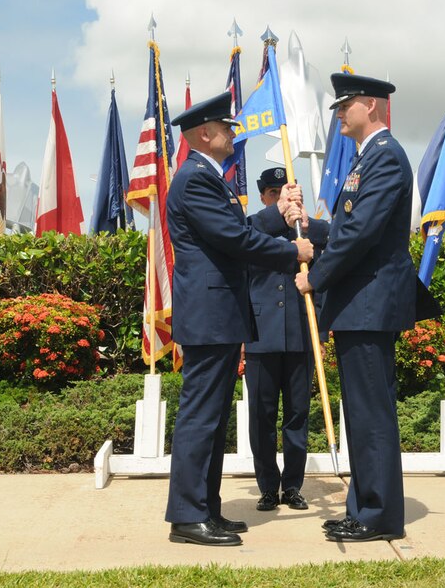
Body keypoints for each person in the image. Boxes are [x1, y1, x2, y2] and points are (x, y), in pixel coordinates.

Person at [164, 92, 313, 547]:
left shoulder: (212, 179)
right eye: (226, 128)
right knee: (200, 418)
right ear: (205, 135)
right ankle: (188, 515)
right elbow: (233, 238)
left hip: (220, 314)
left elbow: (241, 230)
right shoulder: (195, 180)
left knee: (211, 419)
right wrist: (292, 251)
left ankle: (206, 509)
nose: (233, 133)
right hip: (210, 315)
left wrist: (279, 213)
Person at [295, 74, 416, 542]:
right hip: (358, 304)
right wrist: (310, 227)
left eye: (346, 105)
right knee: (361, 413)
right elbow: (350, 227)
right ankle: (363, 506)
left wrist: (316, 277)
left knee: (371, 413)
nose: (340, 113)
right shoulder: (367, 159)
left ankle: (380, 514)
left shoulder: (385, 157)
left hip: (368, 302)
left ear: (370, 105)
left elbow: (362, 233)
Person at [244, 168, 329, 513]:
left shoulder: (310, 234)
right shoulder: (251, 227)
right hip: (261, 335)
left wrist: (320, 334)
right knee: (261, 417)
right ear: (265, 196)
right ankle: (267, 486)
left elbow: (323, 284)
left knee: (297, 414)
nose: (284, 199)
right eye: (275, 193)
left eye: (291, 195)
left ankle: (292, 485)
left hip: (300, 333)